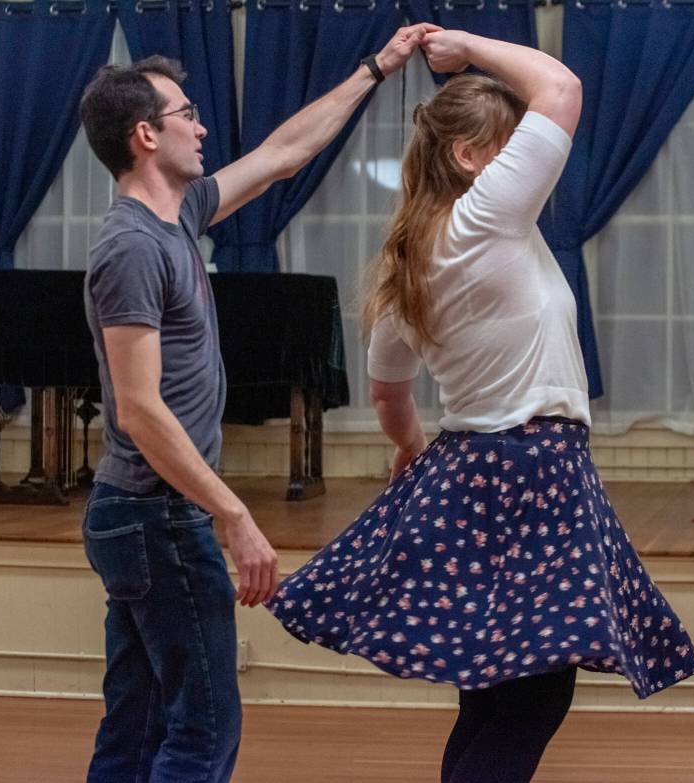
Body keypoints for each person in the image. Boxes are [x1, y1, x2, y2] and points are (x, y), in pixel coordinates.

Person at [266, 31, 694, 783]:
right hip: (533, 470)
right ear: (471, 157)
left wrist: (406, 448)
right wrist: (464, 45)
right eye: (509, 144)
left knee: (493, 693)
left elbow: (387, 391)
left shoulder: (415, 257)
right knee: (533, 697)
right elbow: (560, 89)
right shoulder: (483, 221)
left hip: (471, 468)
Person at [78, 25, 435, 782]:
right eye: (188, 115)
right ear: (145, 135)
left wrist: (376, 66)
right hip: (155, 518)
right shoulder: (133, 247)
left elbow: (282, 157)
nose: (202, 127)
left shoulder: (178, 215)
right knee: (202, 731)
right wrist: (232, 513)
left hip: (144, 516)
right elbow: (140, 410)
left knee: (139, 721)